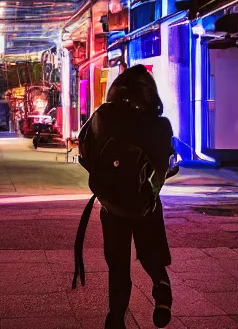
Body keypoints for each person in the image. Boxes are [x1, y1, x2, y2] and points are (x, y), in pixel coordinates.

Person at [74, 65, 174, 329]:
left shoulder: (103, 116)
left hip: (112, 205)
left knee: (118, 264)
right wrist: (149, 192)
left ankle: (116, 317)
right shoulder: (160, 125)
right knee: (152, 254)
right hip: (146, 205)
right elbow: (163, 168)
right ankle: (162, 289)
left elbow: (84, 151)